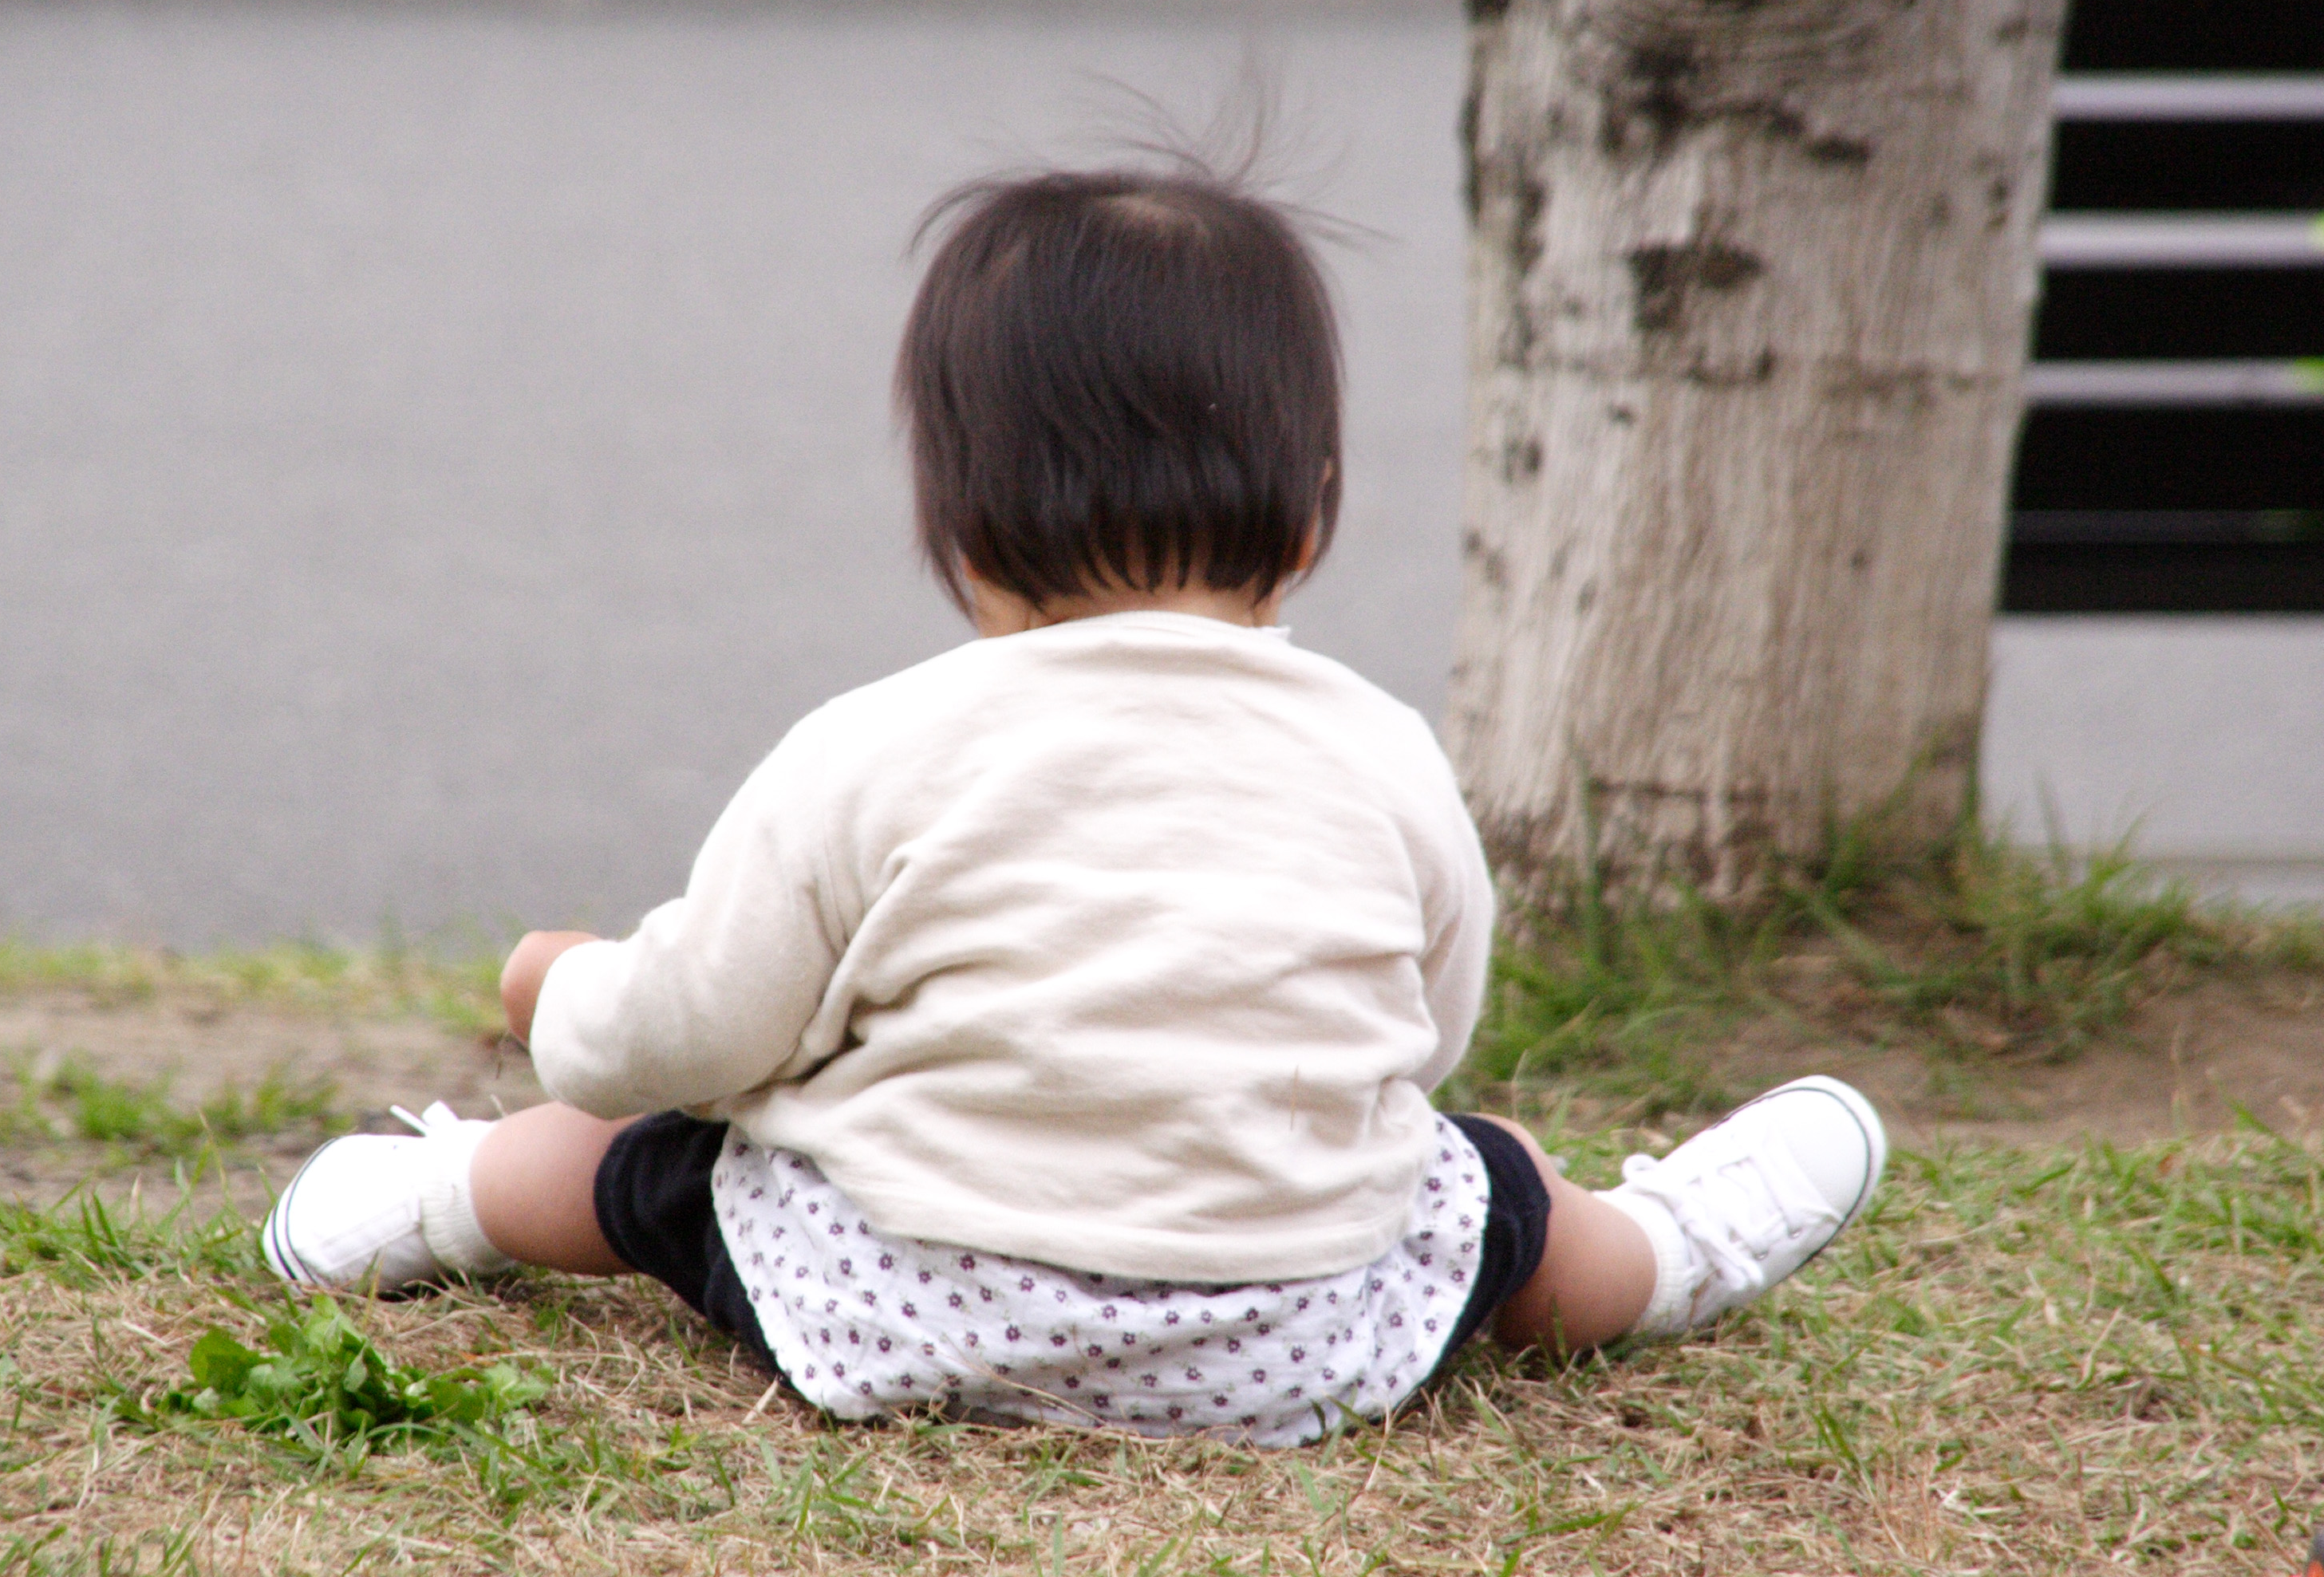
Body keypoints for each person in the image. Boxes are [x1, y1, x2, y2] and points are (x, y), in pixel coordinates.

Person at [262, 160, 1888, 1445]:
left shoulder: (875, 747)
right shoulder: (1383, 751)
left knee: (634, 1156)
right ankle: (1673, 1257)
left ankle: (434, 1204)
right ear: (1313, 515)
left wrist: (563, 993)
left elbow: (696, 1029)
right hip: (1295, 1341)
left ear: (955, 526)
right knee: (1500, 1190)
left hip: (894, 1311)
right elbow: (1424, 1032)